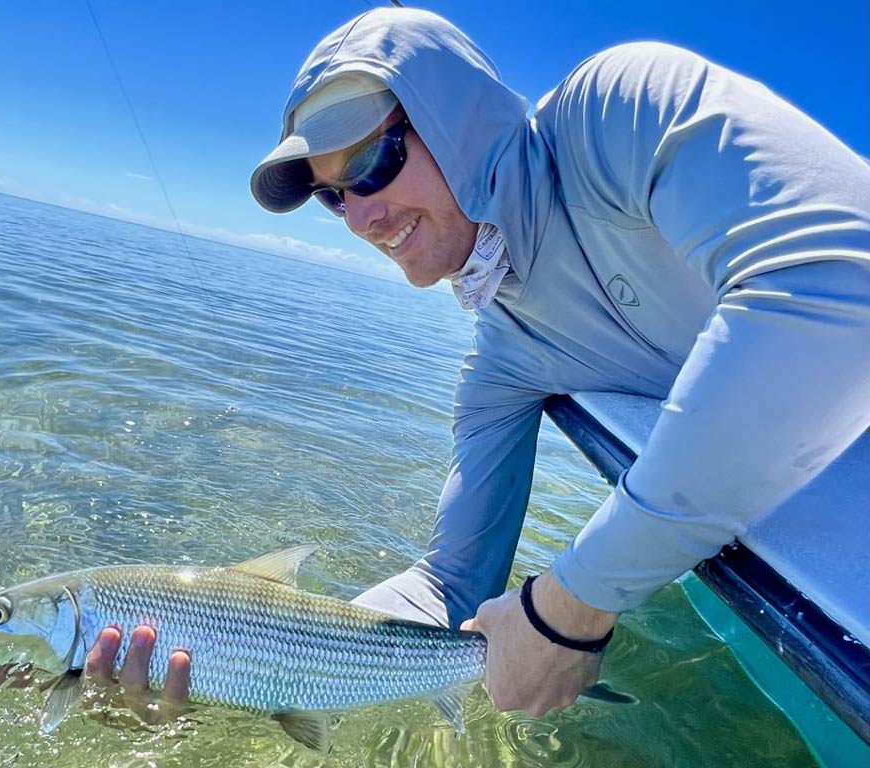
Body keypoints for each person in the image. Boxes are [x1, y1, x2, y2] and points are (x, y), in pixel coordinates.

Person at [86, 8, 870, 717]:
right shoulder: (504, 362)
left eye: (369, 163)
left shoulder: (619, 112)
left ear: (456, 119)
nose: (361, 216)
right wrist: (250, 659)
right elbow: (449, 586)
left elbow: (843, 291)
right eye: (333, 196)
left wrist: (573, 602)